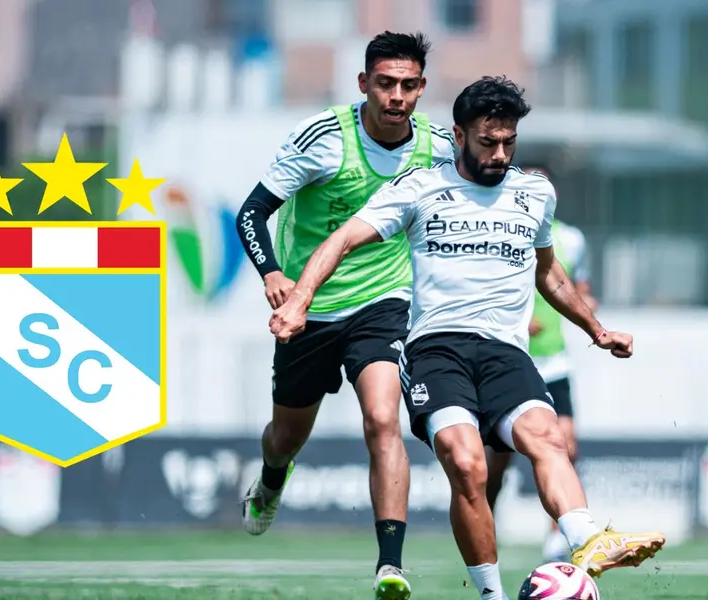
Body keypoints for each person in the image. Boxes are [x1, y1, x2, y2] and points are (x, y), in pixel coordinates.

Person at [269, 76, 665, 600]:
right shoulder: (417, 188)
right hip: (438, 350)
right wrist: (299, 301)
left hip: (505, 351)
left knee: (548, 438)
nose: (500, 154)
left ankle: (587, 538)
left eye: (509, 142)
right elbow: (341, 239)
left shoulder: (534, 193)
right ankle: (491, 595)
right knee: (466, 460)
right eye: (488, 142)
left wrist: (597, 329)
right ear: (459, 135)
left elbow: (550, 274)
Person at [235, 31, 455, 600]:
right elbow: (252, 212)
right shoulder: (324, 138)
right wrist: (274, 276)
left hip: (386, 302)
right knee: (286, 436)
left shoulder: (437, 147)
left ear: (422, 88)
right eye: (385, 84)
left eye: (409, 85)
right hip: (310, 309)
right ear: (364, 84)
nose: (397, 96)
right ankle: (272, 478)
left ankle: (391, 566)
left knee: (383, 418)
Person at [483, 168, 597, 564]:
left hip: (554, 361)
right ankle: (486, 522)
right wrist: (514, 317)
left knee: (565, 445)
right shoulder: (495, 227)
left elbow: (576, 285)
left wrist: (587, 307)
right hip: (511, 358)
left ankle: (557, 540)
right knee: (495, 465)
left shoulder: (569, 239)